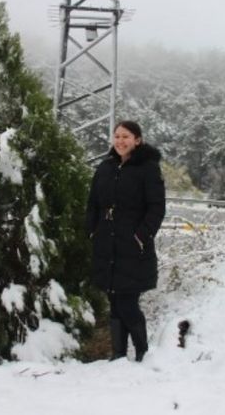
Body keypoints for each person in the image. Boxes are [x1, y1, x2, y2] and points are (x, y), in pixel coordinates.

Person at [85, 120, 166, 362]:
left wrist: (141, 236)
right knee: (113, 299)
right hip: (106, 243)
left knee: (128, 300)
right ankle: (118, 354)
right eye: (117, 136)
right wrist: (91, 230)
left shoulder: (148, 168)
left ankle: (142, 353)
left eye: (126, 137)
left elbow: (157, 208)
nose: (120, 141)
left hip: (132, 245)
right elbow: (92, 204)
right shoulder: (105, 167)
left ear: (137, 140)